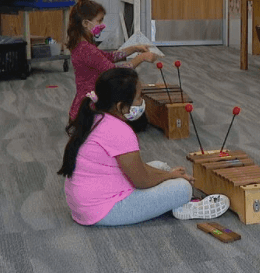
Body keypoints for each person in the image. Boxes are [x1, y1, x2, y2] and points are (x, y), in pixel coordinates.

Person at [58, 67, 230, 226]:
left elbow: (138, 169)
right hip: (102, 210)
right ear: (120, 106)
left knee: (159, 165)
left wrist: (167, 174)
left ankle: (171, 199)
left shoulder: (95, 116)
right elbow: (141, 181)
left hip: (84, 202)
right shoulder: (119, 131)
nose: (142, 101)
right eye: (139, 97)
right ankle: (181, 205)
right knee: (182, 188)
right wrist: (170, 178)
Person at [67, 0, 157, 121]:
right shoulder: (85, 49)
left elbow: (110, 57)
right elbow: (114, 71)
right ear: (86, 23)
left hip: (89, 102)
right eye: (99, 21)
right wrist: (141, 58)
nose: (102, 25)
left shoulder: (83, 45)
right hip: (89, 108)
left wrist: (134, 48)